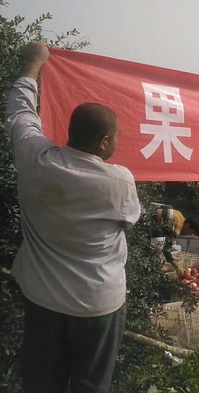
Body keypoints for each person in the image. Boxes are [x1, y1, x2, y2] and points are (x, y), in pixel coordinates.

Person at [5, 42, 142, 392]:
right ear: (104, 142)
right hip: (98, 305)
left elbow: (20, 112)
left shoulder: (34, 159)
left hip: (43, 300)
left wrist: (34, 63)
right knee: (90, 386)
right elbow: (129, 221)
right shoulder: (120, 181)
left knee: (41, 383)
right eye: (118, 137)